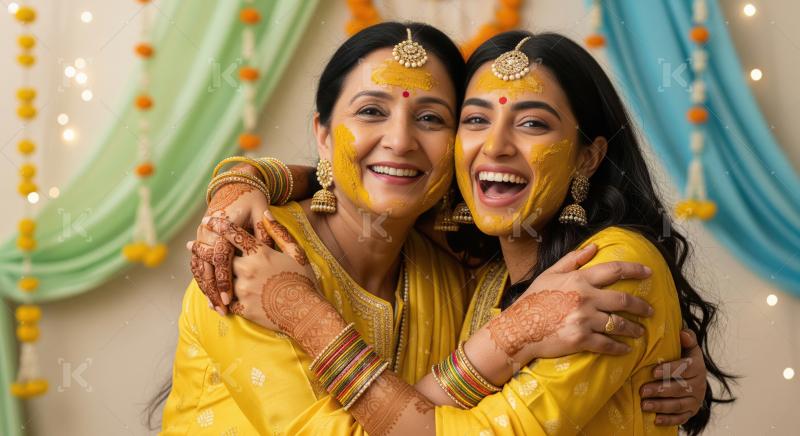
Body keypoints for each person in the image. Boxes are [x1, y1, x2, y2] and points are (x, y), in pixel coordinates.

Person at [197, 30, 732, 435]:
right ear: (321, 132)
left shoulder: (592, 273)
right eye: (477, 120)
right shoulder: (249, 260)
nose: (401, 140)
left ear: (589, 156)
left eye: (432, 118)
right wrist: (244, 178)